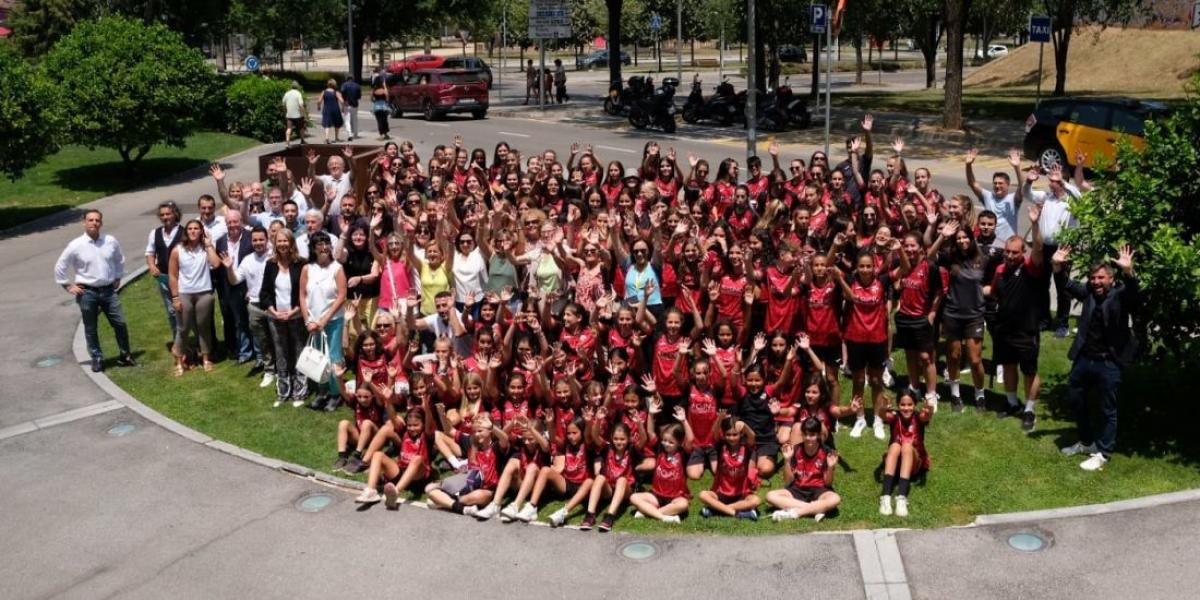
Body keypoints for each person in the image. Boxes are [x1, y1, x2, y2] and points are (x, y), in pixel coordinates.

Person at [1055, 244, 1138, 471]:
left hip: (1109, 361)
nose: (1096, 282)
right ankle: (1086, 442)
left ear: (1111, 279)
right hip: (1085, 358)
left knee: (1107, 409)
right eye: (1093, 278)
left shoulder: (1120, 295)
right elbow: (1066, 285)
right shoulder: (1089, 293)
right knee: (1075, 398)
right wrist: (1057, 266)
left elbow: (1134, 293)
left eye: (1101, 278)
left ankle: (1104, 453)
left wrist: (1129, 272)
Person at [986, 204, 1046, 431]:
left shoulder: (1031, 269)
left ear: (1023, 253)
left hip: (1026, 331)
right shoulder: (1000, 270)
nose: (1010, 256)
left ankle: (1029, 409)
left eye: (1014, 252)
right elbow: (992, 292)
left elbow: (1039, 248)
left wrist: (1034, 223)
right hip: (1004, 330)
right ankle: (1012, 403)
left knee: (1029, 372)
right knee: (1009, 367)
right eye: (1007, 252)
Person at [54, 210, 135, 372]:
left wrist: (118, 276)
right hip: (87, 293)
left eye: (97, 220)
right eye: (90, 220)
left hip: (109, 291)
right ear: (84, 222)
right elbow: (60, 267)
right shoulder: (76, 245)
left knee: (120, 323)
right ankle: (97, 357)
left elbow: (119, 259)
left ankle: (125, 355)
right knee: (91, 327)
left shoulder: (110, 241)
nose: (94, 223)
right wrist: (68, 286)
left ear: (101, 223)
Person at [1022, 165, 1081, 338]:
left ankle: (1062, 324)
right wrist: (1028, 181)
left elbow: (1079, 196)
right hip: (1044, 248)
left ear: (1063, 182)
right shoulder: (1047, 197)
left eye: (1054, 181)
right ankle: (1044, 320)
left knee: (1063, 287)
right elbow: (1028, 194)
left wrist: (1063, 181)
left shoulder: (1071, 201)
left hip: (1063, 249)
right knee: (1042, 285)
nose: (1050, 183)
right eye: (1050, 180)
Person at [222, 226, 276, 388]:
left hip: (274, 306)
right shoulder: (248, 260)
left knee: (278, 340)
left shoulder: (274, 257)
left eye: (261, 239)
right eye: (255, 240)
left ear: (267, 240)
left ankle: (283, 371)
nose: (258, 243)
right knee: (263, 341)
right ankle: (269, 370)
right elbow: (234, 281)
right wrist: (229, 268)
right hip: (254, 306)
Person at [259, 229, 308, 408]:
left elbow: (306, 292)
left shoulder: (301, 264)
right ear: (275, 243)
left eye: (285, 241)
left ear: (291, 242)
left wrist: (295, 311)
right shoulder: (270, 264)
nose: (282, 245)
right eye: (279, 241)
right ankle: (283, 392)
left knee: (298, 353)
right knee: (281, 354)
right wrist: (273, 311)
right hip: (276, 317)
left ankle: (300, 392)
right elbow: (264, 293)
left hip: (296, 317)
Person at [300, 232, 348, 411]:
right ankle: (322, 391)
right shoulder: (307, 269)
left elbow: (342, 296)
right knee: (317, 357)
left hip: (333, 320)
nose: (324, 247)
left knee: (333, 357)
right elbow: (302, 295)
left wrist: (325, 319)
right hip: (313, 323)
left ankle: (336, 394)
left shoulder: (337, 268)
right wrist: (308, 321)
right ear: (313, 248)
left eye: (326, 243)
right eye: (319, 244)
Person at [168, 219, 221, 375]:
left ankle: (205, 358)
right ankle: (178, 360)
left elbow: (216, 264)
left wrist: (209, 244)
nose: (193, 231)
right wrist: (175, 297)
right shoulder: (177, 250)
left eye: (196, 228)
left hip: (204, 293)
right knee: (183, 328)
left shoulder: (206, 249)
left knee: (204, 327)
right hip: (185, 293)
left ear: (201, 231)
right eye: (190, 228)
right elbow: (172, 275)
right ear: (186, 232)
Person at [767, 417, 841, 522]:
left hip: (819, 490)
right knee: (770, 496)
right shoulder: (795, 450)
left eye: (812, 435)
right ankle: (815, 509)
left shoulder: (826, 452)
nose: (808, 438)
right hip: (798, 489)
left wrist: (830, 467)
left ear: (818, 435)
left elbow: (828, 483)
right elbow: (788, 481)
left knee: (835, 499)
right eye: (805, 434)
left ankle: (795, 513)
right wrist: (787, 460)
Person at [878, 390, 933, 518]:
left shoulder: (918, 416)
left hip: (913, 463)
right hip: (896, 463)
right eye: (903, 405)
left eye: (910, 405)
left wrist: (929, 410)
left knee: (907, 446)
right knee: (895, 446)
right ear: (898, 405)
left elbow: (927, 417)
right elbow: (882, 415)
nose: (906, 408)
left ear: (915, 406)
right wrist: (883, 408)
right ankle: (885, 496)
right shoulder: (894, 417)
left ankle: (901, 497)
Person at [215, 210, 255, 363]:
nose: (232, 225)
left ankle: (248, 350)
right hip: (227, 285)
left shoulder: (250, 238)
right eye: (229, 222)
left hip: (246, 285)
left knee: (247, 319)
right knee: (231, 318)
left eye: (235, 221)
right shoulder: (220, 242)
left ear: (241, 221)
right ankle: (235, 349)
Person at [965, 148, 1023, 242]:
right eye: (995, 183)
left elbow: (1022, 187)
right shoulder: (988, 196)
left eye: (1000, 183)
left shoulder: (1013, 199)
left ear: (1008, 184)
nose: (997, 186)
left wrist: (1017, 168)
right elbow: (972, 183)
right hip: (989, 243)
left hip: (1007, 246)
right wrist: (968, 165)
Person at [145, 200, 182, 336]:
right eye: (162, 215)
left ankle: (192, 343)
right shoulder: (154, 233)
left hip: (182, 278)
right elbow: (150, 253)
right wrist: (152, 265)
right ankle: (178, 342)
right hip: (164, 278)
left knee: (185, 310)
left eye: (168, 214)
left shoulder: (184, 232)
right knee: (172, 311)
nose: (165, 217)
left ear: (175, 214)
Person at [317, 78, 345, 144]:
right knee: (337, 123)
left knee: (327, 123)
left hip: (327, 109)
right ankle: (336, 137)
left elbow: (319, 101)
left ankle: (327, 138)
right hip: (335, 109)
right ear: (334, 84)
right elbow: (342, 101)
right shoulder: (336, 92)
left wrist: (318, 107)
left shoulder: (324, 92)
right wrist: (343, 108)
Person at [369, 67, 391, 141]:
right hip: (384, 106)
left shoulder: (375, 90)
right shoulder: (384, 90)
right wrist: (384, 86)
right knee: (385, 120)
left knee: (379, 121)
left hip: (377, 106)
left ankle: (381, 134)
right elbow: (387, 97)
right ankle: (386, 133)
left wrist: (374, 100)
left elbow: (371, 98)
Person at [283, 81, 306, 147]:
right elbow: (301, 105)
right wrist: (303, 113)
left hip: (289, 115)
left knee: (289, 128)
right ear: (297, 86)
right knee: (301, 127)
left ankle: (287, 143)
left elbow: (283, 104)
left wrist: (285, 112)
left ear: (291, 86)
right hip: (298, 115)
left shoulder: (287, 93)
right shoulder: (298, 94)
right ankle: (302, 140)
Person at [340, 75, 361, 141]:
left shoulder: (344, 85)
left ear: (347, 79)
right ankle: (355, 133)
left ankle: (349, 134)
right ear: (353, 79)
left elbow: (342, 92)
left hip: (347, 104)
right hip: (355, 104)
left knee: (347, 120)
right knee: (355, 119)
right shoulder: (357, 86)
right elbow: (359, 96)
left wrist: (344, 101)